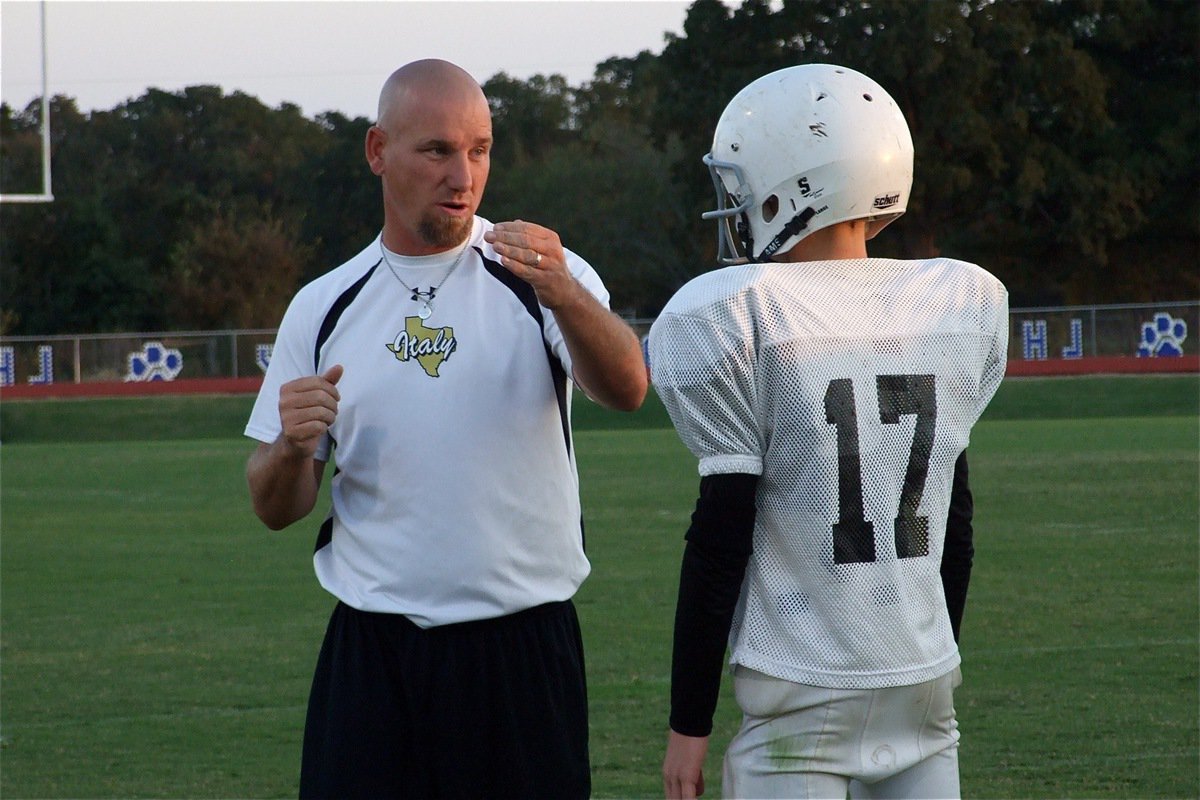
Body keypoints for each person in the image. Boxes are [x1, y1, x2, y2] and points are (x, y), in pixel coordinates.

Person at [244, 58, 647, 798]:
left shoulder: (539, 274)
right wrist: (290, 448)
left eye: (479, 150)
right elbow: (276, 506)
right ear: (377, 152)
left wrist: (566, 295)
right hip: (375, 652)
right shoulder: (323, 304)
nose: (462, 175)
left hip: (523, 649)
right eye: (436, 151)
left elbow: (628, 389)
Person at [648, 64, 1009, 799]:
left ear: (793, 184)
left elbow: (720, 537)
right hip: (924, 686)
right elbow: (956, 529)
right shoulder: (948, 305)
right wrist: (925, 655)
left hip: (800, 690)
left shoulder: (747, 310)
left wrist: (688, 724)